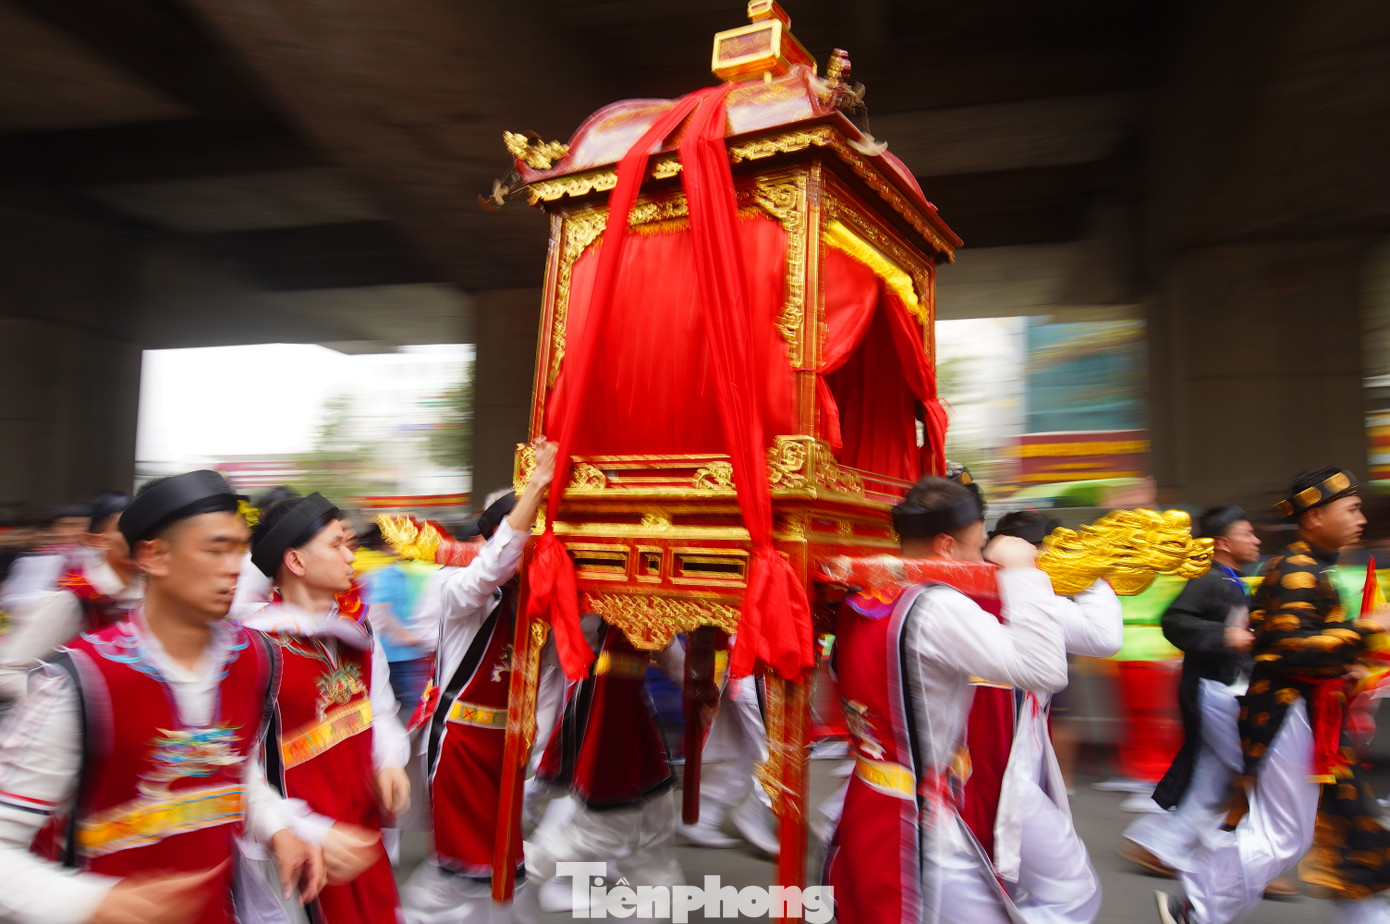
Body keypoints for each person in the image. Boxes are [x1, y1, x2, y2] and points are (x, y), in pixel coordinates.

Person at [0, 469, 323, 924]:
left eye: (238, 547)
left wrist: (277, 829)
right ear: (154, 556)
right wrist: (93, 903)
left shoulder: (253, 659)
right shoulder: (82, 680)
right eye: (215, 548)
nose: (235, 566)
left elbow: (231, 766)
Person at [824, 475, 1069, 924]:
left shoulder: (865, 592)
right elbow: (1044, 670)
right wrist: (1023, 574)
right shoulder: (935, 606)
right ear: (944, 547)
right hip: (915, 819)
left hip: (873, 795)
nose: (983, 559)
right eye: (977, 548)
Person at [1157, 467, 1390, 924]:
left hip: (1312, 718)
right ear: (1316, 516)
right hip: (1290, 715)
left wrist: (1350, 662)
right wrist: (1366, 629)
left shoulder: (1308, 568)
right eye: (1352, 508)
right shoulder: (1294, 571)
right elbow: (1289, 647)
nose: (1361, 518)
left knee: (1349, 829)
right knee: (1285, 838)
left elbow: (1303, 643)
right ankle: (1197, 907)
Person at [400, 441, 558, 924]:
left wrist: (538, 748)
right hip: (461, 744)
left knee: (504, 864)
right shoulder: (457, 585)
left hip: (507, 744)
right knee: (462, 866)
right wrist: (535, 487)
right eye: (523, 538)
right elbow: (488, 571)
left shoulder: (538, 602)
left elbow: (548, 679)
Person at [243, 492, 410, 923]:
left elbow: (380, 710)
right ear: (296, 562)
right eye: (336, 545)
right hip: (305, 847)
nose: (350, 556)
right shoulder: (256, 648)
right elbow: (237, 765)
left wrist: (389, 762)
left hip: (359, 831)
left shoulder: (357, 630)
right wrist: (299, 829)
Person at [1122, 505, 1298, 897]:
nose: (1256, 540)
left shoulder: (1233, 581)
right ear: (1223, 542)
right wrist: (1225, 637)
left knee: (1216, 776)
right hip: (1212, 691)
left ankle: (1161, 847)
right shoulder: (1208, 578)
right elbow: (1175, 621)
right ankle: (1249, 862)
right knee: (1251, 773)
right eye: (1247, 533)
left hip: (1226, 689)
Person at [988, 509, 1123, 924]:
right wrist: (1092, 575)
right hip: (1002, 756)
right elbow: (1105, 637)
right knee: (1071, 889)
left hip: (1001, 746)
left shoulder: (989, 585)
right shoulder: (1029, 592)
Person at [0, 492, 141, 709]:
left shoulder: (156, 595)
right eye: (125, 529)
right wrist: (69, 708)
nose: (140, 536)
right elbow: (7, 671)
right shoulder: (74, 598)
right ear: (98, 539)